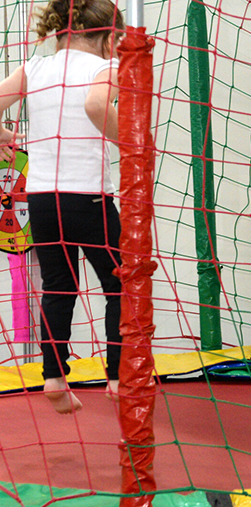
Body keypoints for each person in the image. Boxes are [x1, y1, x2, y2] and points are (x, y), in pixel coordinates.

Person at [0, 0, 124, 414]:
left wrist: (3, 133)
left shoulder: (35, 68)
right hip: (89, 197)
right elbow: (95, 106)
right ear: (107, 36)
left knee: (58, 286)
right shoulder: (103, 68)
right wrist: (133, 142)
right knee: (119, 284)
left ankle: (53, 376)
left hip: (41, 199)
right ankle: (118, 377)